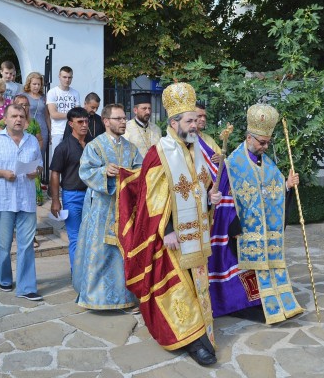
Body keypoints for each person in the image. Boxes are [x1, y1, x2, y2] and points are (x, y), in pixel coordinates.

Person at [117, 83, 222, 366]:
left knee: (196, 284)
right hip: (173, 237)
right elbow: (153, 201)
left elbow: (199, 189)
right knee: (178, 287)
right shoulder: (159, 151)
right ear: (174, 123)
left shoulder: (197, 149)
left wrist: (211, 198)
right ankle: (192, 341)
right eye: (189, 121)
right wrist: (167, 230)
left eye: (195, 120)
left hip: (197, 233)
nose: (195, 126)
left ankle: (202, 334)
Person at [207, 103, 304, 323]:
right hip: (239, 234)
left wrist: (287, 186)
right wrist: (234, 225)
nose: (265, 147)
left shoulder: (267, 164)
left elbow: (274, 192)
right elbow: (221, 203)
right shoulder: (232, 165)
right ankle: (245, 305)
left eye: (268, 142)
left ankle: (267, 301)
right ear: (249, 138)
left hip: (264, 235)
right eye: (262, 142)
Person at [72, 103, 142, 310]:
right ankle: (95, 298)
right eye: (118, 118)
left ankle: (125, 297)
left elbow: (141, 172)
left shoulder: (131, 148)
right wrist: (104, 172)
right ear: (106, 121)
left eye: (124, 118)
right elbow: (85, 171)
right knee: (100, 253)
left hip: (126, 210)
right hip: (102, 209)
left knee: (124, 253)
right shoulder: (95, 146)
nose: (123, 122)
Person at [0, 104, 43, 301]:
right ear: (5, 119)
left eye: (22, 116)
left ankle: (27, 287)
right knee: (4, 245)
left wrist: (35, 171)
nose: (18, 119)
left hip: (26, 199)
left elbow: (39, 165)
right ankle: (5, 278)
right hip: (3, 199)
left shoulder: (32, 141)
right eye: (14, 116)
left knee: (26, 245)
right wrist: (2, 173)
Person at [49, 107, 89, 270]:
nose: (84, 125)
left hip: (92, 195)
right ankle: (77, 275)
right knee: (75, 237)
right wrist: (55, 200)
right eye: (80, 122)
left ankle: (89, 274)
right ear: (71, 123)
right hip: (72, 196)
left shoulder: (93, 144)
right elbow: (54, 174)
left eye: (86, 121)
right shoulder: (63, 147)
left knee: (91, 237)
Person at [0, 95, 45, 206]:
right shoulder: (6, 122)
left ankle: (37, 200)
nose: (24, 107)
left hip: (29, 160)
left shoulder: (33, 122)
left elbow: (40, 139)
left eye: (26, 104)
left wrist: (34, 152)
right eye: (21, 104)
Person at [46, 66, 80, 160]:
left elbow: (77, 114)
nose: (67, 80)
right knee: (57, 160)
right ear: (59, 77)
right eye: (64, 77)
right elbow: (54, 115)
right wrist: (71, 114)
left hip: (73, 131)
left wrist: (71, 114)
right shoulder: (52, 92)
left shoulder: (75, 93)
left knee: (72, 159)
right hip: (58, 131)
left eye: (69, 77)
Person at [123, 92, 161, 157]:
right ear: (135, 110)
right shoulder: (126, 128)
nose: (148, 112)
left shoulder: (156, 129)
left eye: (149, 108)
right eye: (144, 108)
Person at [21, 72, 50, 155]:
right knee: (27, 154)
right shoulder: (23, 96)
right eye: (34, 84)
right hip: (28, 128)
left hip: (42, 129)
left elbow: (47, 116)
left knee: (40, 155)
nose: (36, 86)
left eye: (39, 84)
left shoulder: (44, 97)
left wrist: (50, 131)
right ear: (29, 84)